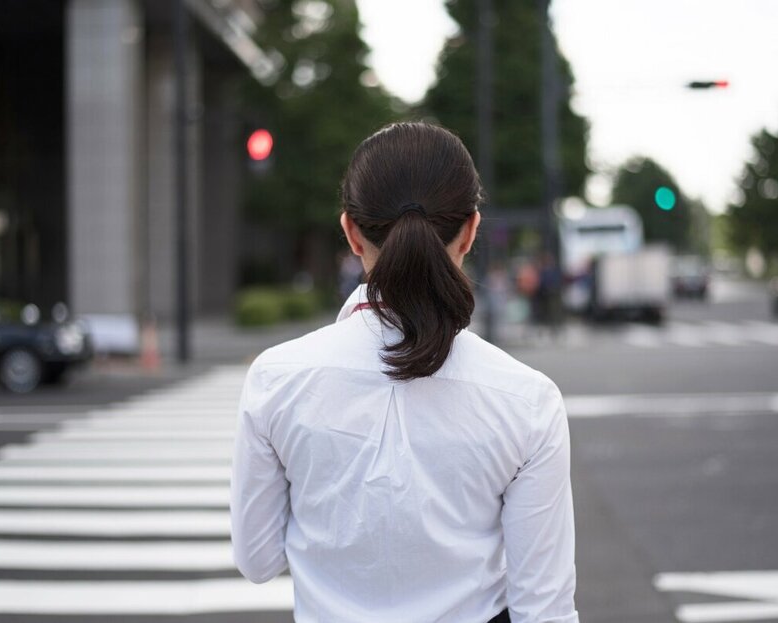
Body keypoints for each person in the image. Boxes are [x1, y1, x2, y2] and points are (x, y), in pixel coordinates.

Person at [231, 122, 579, 623]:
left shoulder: (277, 379)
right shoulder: (527, 399)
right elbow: (543, 610)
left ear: (351, 231)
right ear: (471, 230)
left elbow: (258, 560)